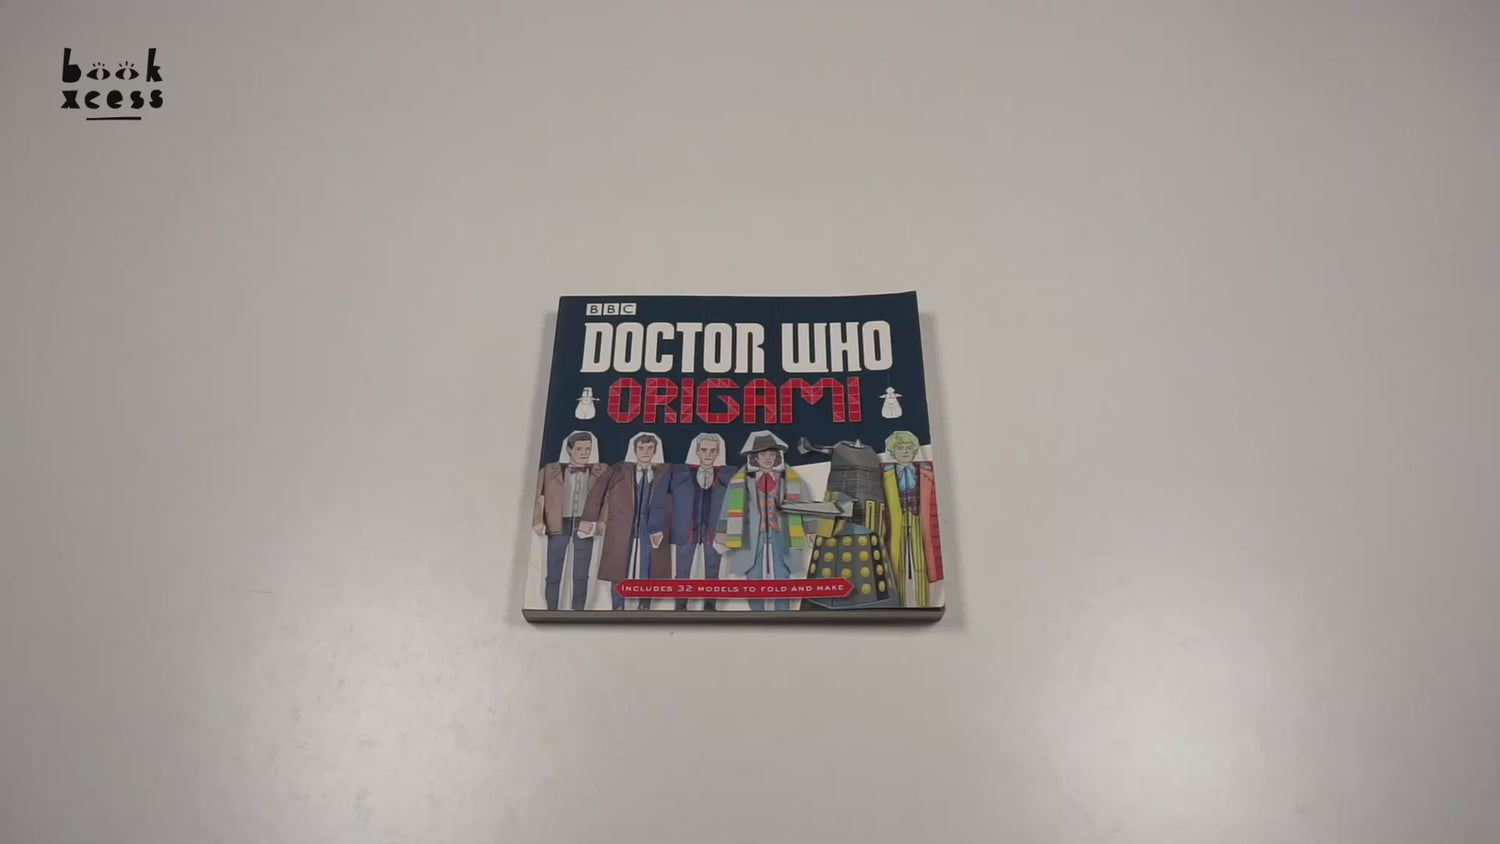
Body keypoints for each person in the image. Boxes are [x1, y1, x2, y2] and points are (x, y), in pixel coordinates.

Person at [715, 431, 809, 611]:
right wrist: (722, 530)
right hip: (750, 534)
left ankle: (783, 612)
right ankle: (756, 613)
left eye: (771, 454)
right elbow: (728, 505)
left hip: (782, 533)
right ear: (755, 457)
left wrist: (810, 528)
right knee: (752, 574)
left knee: (783, 573)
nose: (767, 458)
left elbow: (804, 502)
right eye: (763, 454)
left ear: (777, 456)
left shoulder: (789, 477)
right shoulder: (741, 479)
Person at [580, 433, 672, 610]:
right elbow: (597, 491)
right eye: (641, 448)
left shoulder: (664, 471)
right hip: (621, 524)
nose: (645, 452)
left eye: (649, 448)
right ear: (635, 450)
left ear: (655, 451)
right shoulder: (619, 469)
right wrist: (589, 518)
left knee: (649, 564)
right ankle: (618, 605)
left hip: (651, 525)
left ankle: (644, 605)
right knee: (618, 564)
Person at [531, 431, 607, 610]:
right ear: (569, 450)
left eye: (587, 449)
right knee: (554, 570)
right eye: (579, 449)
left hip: (585, 523)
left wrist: (601, 522)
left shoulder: (599, 471)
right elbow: (538, 496)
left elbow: (607, 499)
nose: (583, 453)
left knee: (581, 572)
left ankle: (578, 609)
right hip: (558, 522)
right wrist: (537, 520)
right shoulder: (551, 470)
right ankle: (551, 608)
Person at [666, 434, 734, 610]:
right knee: (682, 570)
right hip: (688, 528)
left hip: (714, 529)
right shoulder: (681, 473)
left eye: (712, 451)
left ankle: (710, 606)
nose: (708, 454)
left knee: (713, 570)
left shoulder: (728, 475)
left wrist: (726, 529)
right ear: (697, 451)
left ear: (718, 452)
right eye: (704, 450)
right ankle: (680, 606)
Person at [880, 431, 944, 608]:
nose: (905, 451)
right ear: (893, 451)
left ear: (915, 450)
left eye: (908, 448)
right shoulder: (886, 473)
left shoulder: (924, 471)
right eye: (900, 448)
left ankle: (924, 604)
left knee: (920, 562)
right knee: (897, 564)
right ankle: (899, 605)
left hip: (917, 520)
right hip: (897, 521)